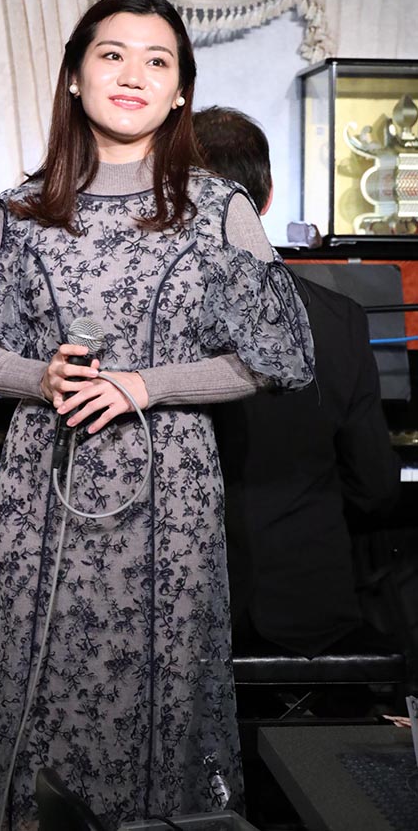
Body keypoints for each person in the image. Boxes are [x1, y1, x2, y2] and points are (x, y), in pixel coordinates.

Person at [0, 0, 314, 831]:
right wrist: (39, 377)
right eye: (112, 54)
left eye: (156, 60)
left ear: (179, 92)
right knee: (36, 696)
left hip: (168, 498)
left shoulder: (218, 209)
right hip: (42, 494)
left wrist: (146, 384)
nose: (133, 73)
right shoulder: (21, 210)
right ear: (74, 76)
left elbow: (278, 355)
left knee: (159, 701)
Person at [193, 105, 400, 658]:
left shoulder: (144, 320)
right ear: (265, 199)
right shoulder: (341, 318)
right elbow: (376, 487)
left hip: (186, 613)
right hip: (310, 601)